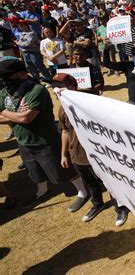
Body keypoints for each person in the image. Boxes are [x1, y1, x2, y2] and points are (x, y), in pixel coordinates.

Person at [0, 58, 88, 210]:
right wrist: (16, 114)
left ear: (21, 74)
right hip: (23, 140)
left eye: (8, 76)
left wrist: (6, 112)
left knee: (62, 170)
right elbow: (18, 117)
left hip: (44, 139)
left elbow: (26, 118)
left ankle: (82, 191)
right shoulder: (4, 92)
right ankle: (42, 191)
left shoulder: (37, 90)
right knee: (34, 170)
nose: (5, 80)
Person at [55, 73, 129, 226]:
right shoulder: (62, 110)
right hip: (77, 156)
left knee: (108, 181)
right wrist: (64, 154)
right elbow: (65, 131)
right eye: (55, 87)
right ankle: (97, 204)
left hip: (96, 154)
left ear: (71, 88)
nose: (56, 90)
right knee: (90, 183)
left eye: (60, 87)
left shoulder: (88, 104)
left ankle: (120, 207)